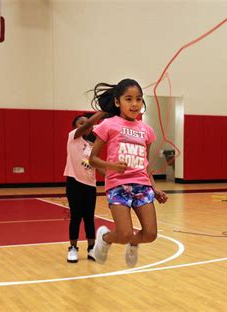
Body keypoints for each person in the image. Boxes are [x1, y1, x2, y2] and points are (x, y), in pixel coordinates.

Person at [89, 78, 168, 267]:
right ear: (117, 102)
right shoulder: (109, 125)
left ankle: (135, 243)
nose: (134, 104)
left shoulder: (147, 130)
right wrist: (112, 166)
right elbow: (92, 159)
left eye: (139, 99)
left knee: (150, 234)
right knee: (123, 234)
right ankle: (105, 238)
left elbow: (145, 164)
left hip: (142, 185)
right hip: (117, 185)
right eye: (128, 99)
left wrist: (154, 188)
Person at [64, 111, 106, 263]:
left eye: (86, 123)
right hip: (74, 183)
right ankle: (73, 248)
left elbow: (95, 163)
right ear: (75, 127)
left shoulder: (91, 145)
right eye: (81, 123)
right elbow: (88, 125)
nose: (85, 125)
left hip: (90, 185)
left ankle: (91, 248)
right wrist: (103, 112)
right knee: (76, 217)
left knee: (89, 218)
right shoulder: (72, 137)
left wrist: (109, 175)